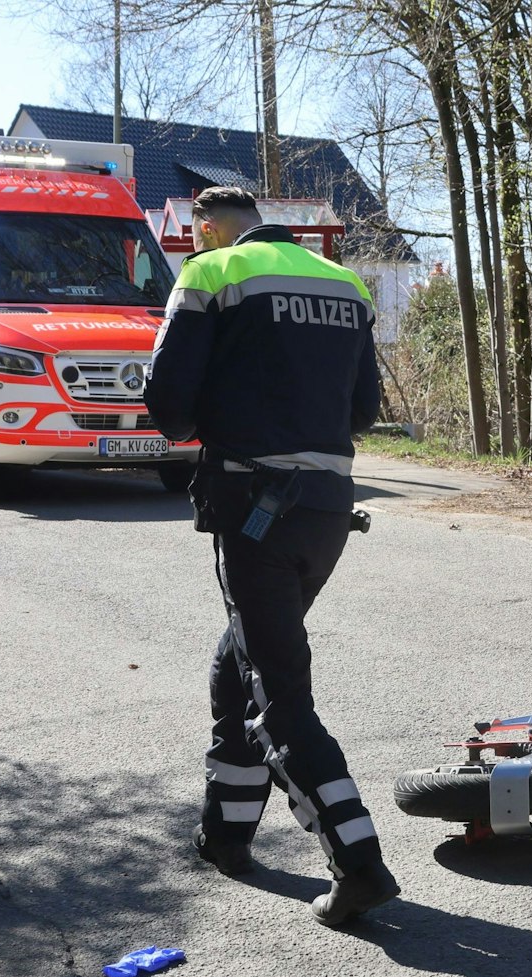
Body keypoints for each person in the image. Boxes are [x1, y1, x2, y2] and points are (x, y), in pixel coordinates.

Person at [144, 186, 393, 927]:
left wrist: (227, 408)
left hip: (255, 508)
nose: (196, 247)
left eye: (197, 236)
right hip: (325, 511)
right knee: (239, 661)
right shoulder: (341, 282)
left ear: (212, 227)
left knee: (279, 691)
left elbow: (169, 404)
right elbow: (361, 411)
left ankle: (359, 863)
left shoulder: (211, 274)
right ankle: (226, 836)